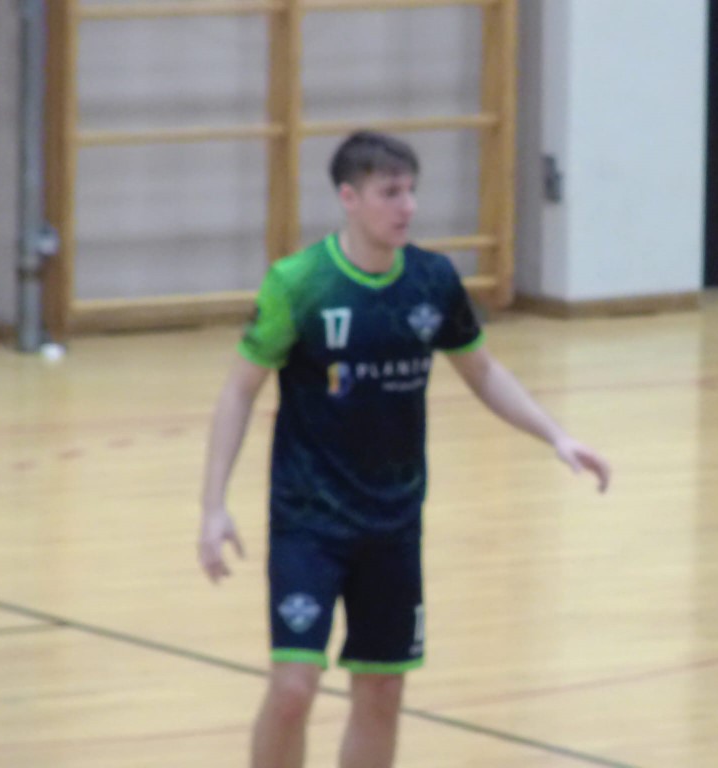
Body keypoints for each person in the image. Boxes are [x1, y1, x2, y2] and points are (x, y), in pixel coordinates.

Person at [199, 130, 611, 768]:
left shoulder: (431, 281)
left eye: (412, 191)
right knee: (293, 690)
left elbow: (482, 372)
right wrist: (213, 507)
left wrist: (556, 435)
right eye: (390, 192)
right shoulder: (299, 283)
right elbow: (238, 392)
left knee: (383, 692)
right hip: (309, 521)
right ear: (349, 197)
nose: (407, 206)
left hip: (393, 525)